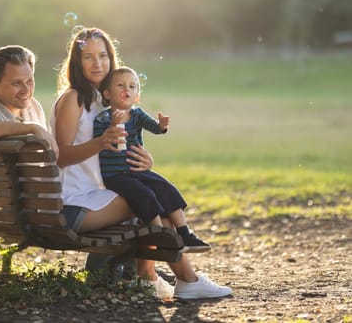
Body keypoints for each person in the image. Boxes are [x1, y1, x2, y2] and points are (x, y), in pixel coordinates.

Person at [50, 27, 232, 300]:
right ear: (76, 63)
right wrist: (101, 143)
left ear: (112, 59)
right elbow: (62, 156)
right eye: (88, 57)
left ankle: (150, 277)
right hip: (72, 204)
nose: (97, 63)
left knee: (146, 191)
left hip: (94, 197)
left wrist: (144, 160)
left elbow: (114, 153)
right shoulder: (74, 98)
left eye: (103, 55)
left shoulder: (104, 101)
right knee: (148, 200)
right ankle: (183, 279)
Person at [93, 66, 210, 253]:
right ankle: (162, 235)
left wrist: (162, 126)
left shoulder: (137, 115)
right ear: (107, 94)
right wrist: (114, 126)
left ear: (137, 95)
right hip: (115, 175)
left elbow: (153, 127)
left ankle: (185, 233)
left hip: (138, 170)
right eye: (121, 86)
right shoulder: (102, 119)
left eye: (132, 87)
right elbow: (102, 143)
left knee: (166, 188)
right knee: (144, 194)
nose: (127, 90)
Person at [0, 44, 58, 157]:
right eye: (16, 83)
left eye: (29, 82)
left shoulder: (34, 106)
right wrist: (32, 127)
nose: (26, 90)